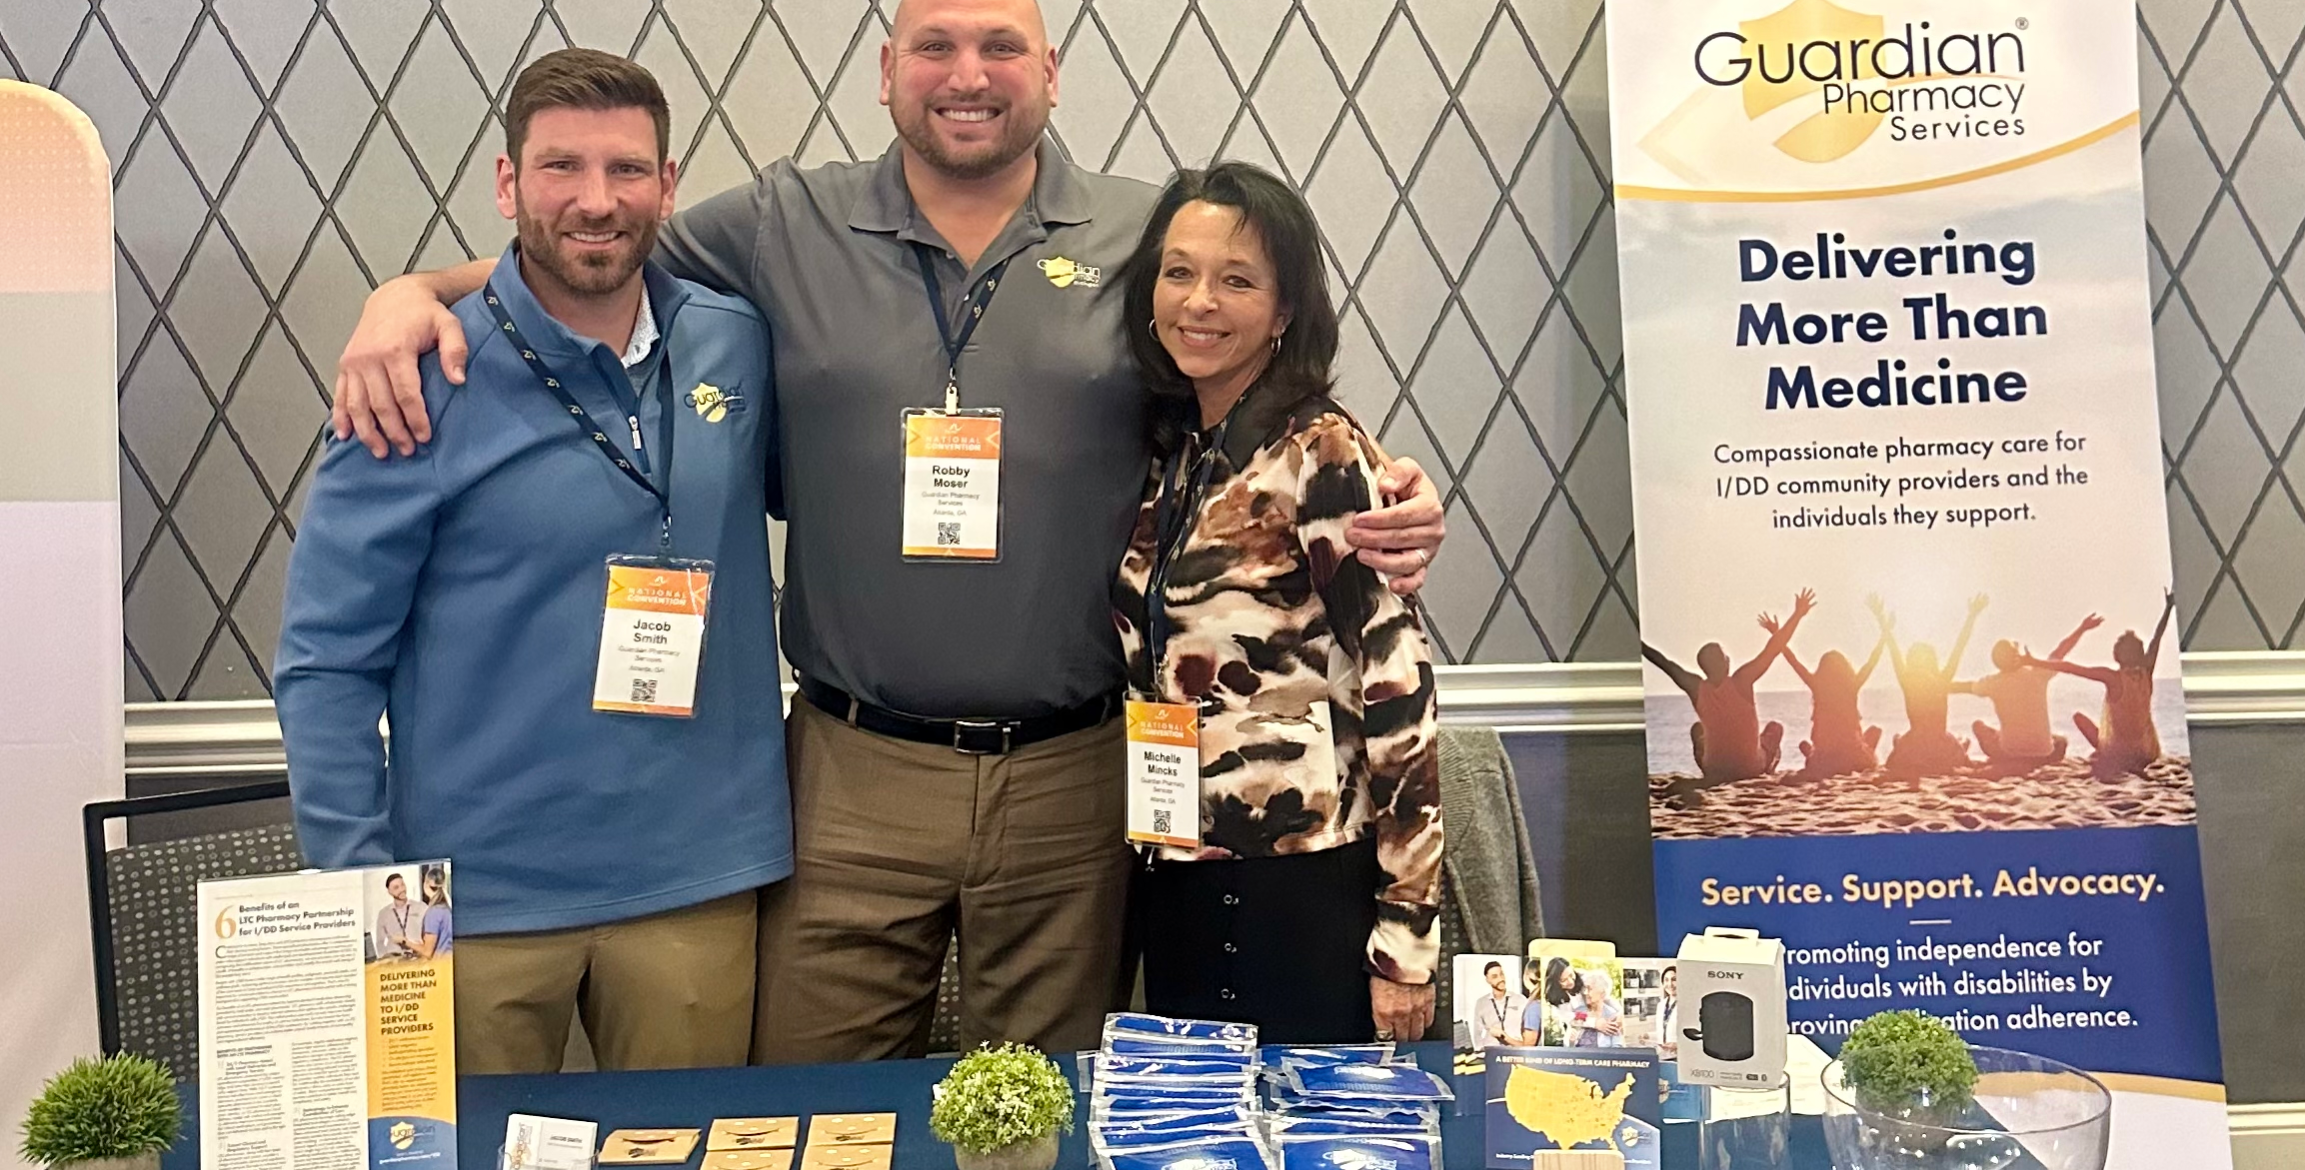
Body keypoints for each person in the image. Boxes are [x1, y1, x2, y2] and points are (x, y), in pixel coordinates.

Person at [326, 0, 1448, 1063]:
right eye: (934, 46)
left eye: (1001, 46)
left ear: (1051, 73)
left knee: (1037, 1117)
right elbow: (591, 252)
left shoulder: (1141, 235)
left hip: (1072, 778)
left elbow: (1242, 365)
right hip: (847, 777)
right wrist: (409, 288)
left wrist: (1375, 493)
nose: (968, 75)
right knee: (813, 1117)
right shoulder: (779, 222)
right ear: (886, 73)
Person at [275, 49, 792, 1074]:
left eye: (626, 170)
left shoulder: (736, 344)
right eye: (561, 169)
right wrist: (370, 904)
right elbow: (326, 662)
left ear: (669, 184)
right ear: (508, 185)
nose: (596, 202)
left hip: (699, 883)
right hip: (476, 903)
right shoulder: (417, 379)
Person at [1113, 162, 1440, 1046]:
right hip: (1177, 859)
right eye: (1178, 272)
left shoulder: (1322, 454)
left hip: (1302, 881)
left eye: (1237, 280)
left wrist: (1406, 943)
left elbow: (1401, 698)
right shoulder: (1179, 454)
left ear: (1286, 312)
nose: (1199, 301)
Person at [1641, 590, 1815, 786]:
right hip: (1750, 769)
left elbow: (1665, 663)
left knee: (1697, 730)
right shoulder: (1742, 680)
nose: (1729, 659)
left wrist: (1639, 644)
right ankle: (1768, 767)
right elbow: (1773, 649)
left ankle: (1710, 770)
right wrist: (1798, 614)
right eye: (1726, 656)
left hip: (1715, 770)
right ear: (1724, 663)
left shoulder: (1696, 687)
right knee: (1775, 729)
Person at [2022, 592, 2177, 779]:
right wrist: (2168, 609)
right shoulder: (2146, 671)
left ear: (2117, 655)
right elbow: (2156, 639)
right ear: (2138, 653)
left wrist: (2034, 662)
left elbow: (2070, 668)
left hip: (2120, 754)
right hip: (2147, 752)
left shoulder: (2112, 677)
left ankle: (2103, 752)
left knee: (2079, 718)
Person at [1959, 614, 2102, 771]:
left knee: (1978, 726)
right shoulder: (2038, 673)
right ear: (2016, 656)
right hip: (2045, 755)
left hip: (2009, 754)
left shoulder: (1993, 682)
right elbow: (2061, 651)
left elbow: (1964, 687)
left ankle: (2009, 754)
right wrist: (2081, 629)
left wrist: (1939, 686)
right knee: (2061, 741)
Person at [1870, 593, 1988, 777]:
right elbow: (1960, 647)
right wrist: (1972, 616)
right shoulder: (1942, 680)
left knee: (1898, 749)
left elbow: (1893, 650)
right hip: (1940, 745)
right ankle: (1960, 748)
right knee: (1955, 749)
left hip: (1915, 746)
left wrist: (1882, 620)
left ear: (1910, 661)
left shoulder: (1907, 680)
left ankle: (1956, 747)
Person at [1770, 618, 1886, 780]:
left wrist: (1777, 634)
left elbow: (1794, 662)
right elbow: (1871, 663)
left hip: (1823, 760)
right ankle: (1812, 751)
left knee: (1806, 746)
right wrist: (1884, 635)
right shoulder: (1851, 686)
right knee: (1875, 732)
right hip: (1854, 759)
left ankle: (1809, 752)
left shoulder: (1817, 685)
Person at [1565, 969, 1624, 1048]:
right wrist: (1571, 1042)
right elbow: (1567, 1044)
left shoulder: (1613, 1016)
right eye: (1585, 988)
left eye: (1589, 989)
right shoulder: (1579, 1011)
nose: (1585, 993)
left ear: (1602, 993)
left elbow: (1617, 1047)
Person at [1471, 961, 1523, 1051]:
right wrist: (1480, 1051)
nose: (1500, 979)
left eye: (1501, 974)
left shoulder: (1520, 1000)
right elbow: (1477, 1032)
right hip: (1491, 1052)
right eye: (1495, 976)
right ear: (1488, 980)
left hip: (1515, 1051)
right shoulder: (1481, 1003)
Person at [374, 873, 425, 962]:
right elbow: (380, 942)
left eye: (402, 885)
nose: (402, 889)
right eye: (396, 887)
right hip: (395, 961)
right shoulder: (383, 914)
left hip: (418, 958)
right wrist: (385, 960)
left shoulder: (421, 907)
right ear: (389, 892)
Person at [419, 868, 453, 958]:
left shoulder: (434, 912)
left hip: (440, 963)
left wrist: (405, 941)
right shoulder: (446, 908)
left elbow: (427, 952)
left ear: (426, 884)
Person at [1657, 965, 1678, 1060]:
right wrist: (1647, 1036)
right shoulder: (1661, 1005)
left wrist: (1678, 1045)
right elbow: (1663, 1029)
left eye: (1674, 979)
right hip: (1663, 1055)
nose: (1670, 984)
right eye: (1666, 980)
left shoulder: (1688, 1005)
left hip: (1680, 1056)